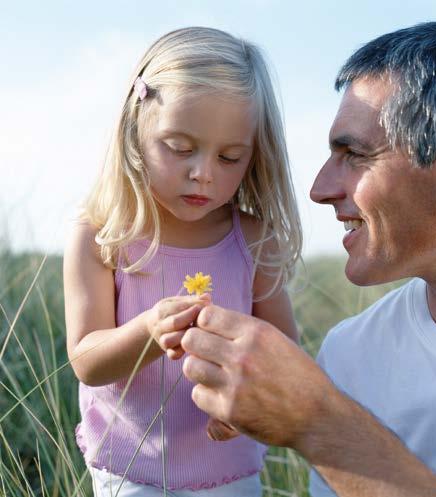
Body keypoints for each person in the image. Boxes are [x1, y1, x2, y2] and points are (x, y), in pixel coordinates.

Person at [181, 20, 436, 497]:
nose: (319, 190)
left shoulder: (325, 402)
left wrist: (321, 426)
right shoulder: (352, 357)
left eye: (354, 155)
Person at [63, 27, 301, 497]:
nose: (203, 173)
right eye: (180, 148)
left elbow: (284, 352)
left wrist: (247, 398)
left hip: (229, 470)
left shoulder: (253, 240)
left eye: (230, 157)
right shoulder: (103, 234)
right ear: (136, 131)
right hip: (129, 470)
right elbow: (87, 361)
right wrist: (150, 330)